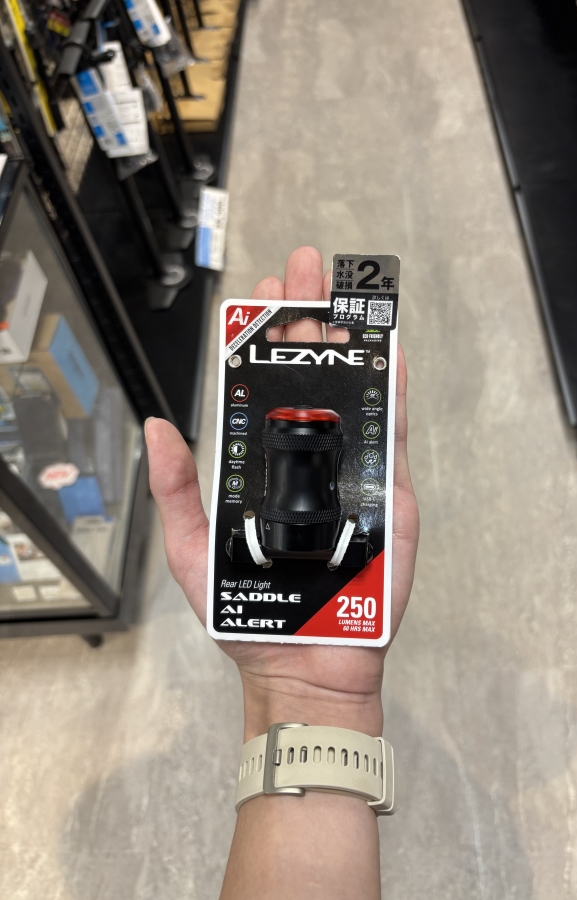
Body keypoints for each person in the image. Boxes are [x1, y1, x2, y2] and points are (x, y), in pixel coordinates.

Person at [145, 246, 420, 900]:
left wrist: (308, 704)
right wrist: (318, 704)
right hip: (295, 541)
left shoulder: (319, 525)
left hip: (308, 537)